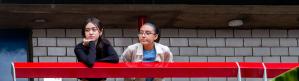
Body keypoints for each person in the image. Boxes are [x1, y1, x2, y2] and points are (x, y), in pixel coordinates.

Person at [74, 17, 119, 81]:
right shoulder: (79, 48)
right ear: (84, 33)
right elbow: (90, 62)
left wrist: (96, 61)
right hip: (85, 79)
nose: (91, 33)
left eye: (94, 29)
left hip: (101, 79)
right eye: (87, 30)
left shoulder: (105, 44)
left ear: (100, 32)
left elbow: (115, 58)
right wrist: (92, 43)